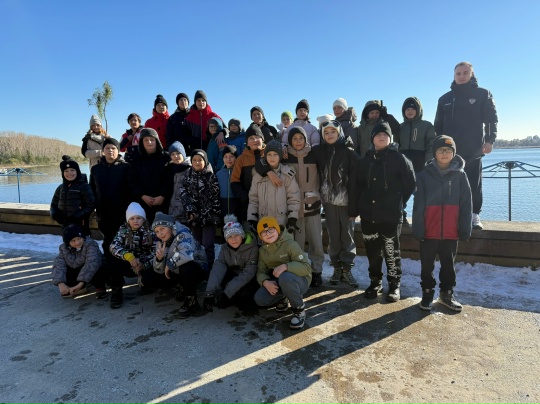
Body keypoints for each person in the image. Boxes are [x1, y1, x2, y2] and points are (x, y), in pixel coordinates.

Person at [353, 122, 416, 302]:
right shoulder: (365, 160)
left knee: (391, 251)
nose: (382, 137)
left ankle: (394, 284)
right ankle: (375, 282)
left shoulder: (399, 159)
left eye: (385, 134)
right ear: (372, 138)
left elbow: (410, 183)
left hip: (391, 215)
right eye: (378, 134)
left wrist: (398, 201)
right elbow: (358, 185)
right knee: (373, 251)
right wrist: (361, 205)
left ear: (390, 138)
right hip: (369, 216)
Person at [434, 61, 498, 230]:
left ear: (472, 74)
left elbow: (491, 119)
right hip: (449, 151)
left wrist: (490, 140)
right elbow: (438, 126)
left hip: (473, 148)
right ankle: (452, 215)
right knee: (449, 184)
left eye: (465, 73)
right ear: (454, 76)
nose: (461, 76)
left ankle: (474, 214)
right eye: (458, 74)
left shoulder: (483, 94)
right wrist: (437, 147)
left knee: (473, 183)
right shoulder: (445, 99)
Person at [412, 135, 472, 312]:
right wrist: (418, 228)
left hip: (451, 231)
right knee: (426, 266)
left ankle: (446, 294)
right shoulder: (424, 176)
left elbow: (466, 205)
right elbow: (418, 205)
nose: (444, 153)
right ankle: (427, 292)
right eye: (440, 150)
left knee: (448, 266)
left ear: (453, 153)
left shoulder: (461, 176)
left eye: (448, 150)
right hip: (429, 230)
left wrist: (465, 227)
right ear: (434, 153)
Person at [311, 120, 358, 287]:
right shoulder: (318, 151)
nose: (330, 135)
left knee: (347, 236)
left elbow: (356, 181)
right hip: (329, 202)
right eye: (326, 132)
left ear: (339, 133)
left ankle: (347, 268)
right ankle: (337, 267)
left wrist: (354, 206)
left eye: (333, 132)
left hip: (346, 202)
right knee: (333, 236)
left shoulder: (349, 152)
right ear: (322, 135)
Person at [253, 216, 312, 330]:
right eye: (264, 232)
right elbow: (261, 271)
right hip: (280, 281)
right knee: (260, 299)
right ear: (260, 236)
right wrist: (265, 282)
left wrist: (286, 266)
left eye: (271, 229)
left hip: (299, 281)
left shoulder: (290, 244)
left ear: (277, 230)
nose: (268, 234)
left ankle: (299, 311)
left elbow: (306, 267)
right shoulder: (263, 251)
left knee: (286, 277)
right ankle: (283, 298)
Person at [152, 212, 207, 319]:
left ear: (170, 226)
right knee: (149, 279)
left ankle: (191, 300)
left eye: (162, 229)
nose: (160, 234)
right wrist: (159, 259)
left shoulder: (183, 233)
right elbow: (159, 270)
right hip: (177, 269)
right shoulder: (161, 241)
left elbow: (187, 254)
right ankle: (182, 287)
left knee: (186, 267)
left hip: (198, 268)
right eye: (157, 231)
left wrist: (169, 264)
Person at [90, 137, 135, 267]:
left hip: (122, 213)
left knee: (123, 241)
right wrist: (92, 208)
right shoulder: (96, 169)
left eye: (113, 148)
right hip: (103, 213)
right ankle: (110, 269)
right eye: (107, 148)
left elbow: (132, 190)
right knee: (108, 241)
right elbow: (92, 190)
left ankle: (124, 268)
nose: (110, 151)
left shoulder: (126, 167)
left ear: (118, 150)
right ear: (103, 151)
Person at [203, 214, 259, 312]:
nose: (233, 239)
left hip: (249, 279)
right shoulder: (224, 248)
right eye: (230, 237)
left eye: (237, 235)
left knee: (245, 294)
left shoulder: (252, 248)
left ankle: (239, 299)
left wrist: (227, 293)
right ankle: (232, 297)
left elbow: (249, 273)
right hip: (233, 276)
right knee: (216, 272)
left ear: (242, 235)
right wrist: (209, 294)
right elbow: (218, 268)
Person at [109, 202, 157, 308]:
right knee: (113, 261)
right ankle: (116, 291)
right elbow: (113, 246)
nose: (135, 221)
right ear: (128, 220)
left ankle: (145, 283)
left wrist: (143, 263)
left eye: (138, 218)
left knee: (155, 270)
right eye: (132, 218)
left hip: (145, 264)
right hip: (129, 263)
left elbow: (155, 251)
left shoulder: (151, 231)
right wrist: (128, 256)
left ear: (143, 219)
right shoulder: (123, 230)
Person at [247, 139, 300, 231]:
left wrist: (292, 218)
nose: (272, 157)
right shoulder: (258, 176)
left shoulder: (287, 175)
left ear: (280, 156)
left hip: (281, 223)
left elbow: (293, 198)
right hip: (264, 223)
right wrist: (252, 218)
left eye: (275, 154)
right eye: (269, 154)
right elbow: (253, 199)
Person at [180, 149, 221, 270]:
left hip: (209, 218)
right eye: (194, 160)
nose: (197, 162)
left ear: (205, 161)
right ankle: (198, 270)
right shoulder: (187, 177)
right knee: (196, 245)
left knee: (208, 245)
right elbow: (184, 195)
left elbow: (216, 197)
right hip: (194, 218)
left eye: (200, 160)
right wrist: (190, 211)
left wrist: (216, 215)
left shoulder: (211, 177)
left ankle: (210, 269)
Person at [399, 97, 436, 224]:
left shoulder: (427, 126)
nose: (410, 111)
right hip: (403, 168)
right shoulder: (400, 127)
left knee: (420, 195)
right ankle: (401, 216)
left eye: (413, 109)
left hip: (420, 167)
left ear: (418, 110)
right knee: (400, 194)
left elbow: (431, 146)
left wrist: (428, 163)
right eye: (407, 109)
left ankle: (420, 219)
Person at [51, 224, 107, 299]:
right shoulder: (63, 248)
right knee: (66, 269)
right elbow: (58, 265)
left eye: (79, 238)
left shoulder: (91, 244)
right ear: (67, 242)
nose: (77, 242)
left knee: (97, 266)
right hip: (77, 269)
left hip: (93, 268)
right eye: (73, 240)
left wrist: (80, 283)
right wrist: (60, 283)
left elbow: (91, 263)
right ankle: (80, 287)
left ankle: (99, 287)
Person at [131, 128, 171, 223]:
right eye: (146, 140)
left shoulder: (166, 157)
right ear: (141, 142)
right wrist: (142, 195)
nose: (149, 142)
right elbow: (133, 179)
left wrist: (162, 195)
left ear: (157, 141)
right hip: (143, 202)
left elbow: (169, 178)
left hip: (163, 202)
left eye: (152, 139)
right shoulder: (136, 159)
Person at [230, 124, 266, 223]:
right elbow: (234, 181)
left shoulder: (270, 154)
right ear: (247, 142)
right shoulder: (241, 159)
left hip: (269, 203)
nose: (255, 140)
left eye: (257, 137)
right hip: (248, 205)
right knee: (250, 230)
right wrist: (245, 196)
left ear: (262, 139)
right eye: (251, 138)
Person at [50, 155, 95, 233]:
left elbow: (91, 204)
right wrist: (55, 215)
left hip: (80, 225)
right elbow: (54, 204)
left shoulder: (84, 186)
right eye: (66, 171)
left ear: (77, 171)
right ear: (62, 173)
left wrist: (75, 217)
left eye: (72, 170)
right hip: (64, 225)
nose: (69, 173)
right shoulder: (61, 187)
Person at [167, 141, 191, 224]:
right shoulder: (170, 169)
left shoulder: (190, 169)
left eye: (178, 153)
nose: (175, 156)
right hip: (172, 210)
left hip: (186, 212)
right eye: (173, 154)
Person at [216, 145, 241, 222]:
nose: (228, 159)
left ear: (236, 158)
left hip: (237, 208)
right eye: (225, 157)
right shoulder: (218, 174)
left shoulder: (240, 173)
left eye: (231, 156)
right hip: (223, 208)